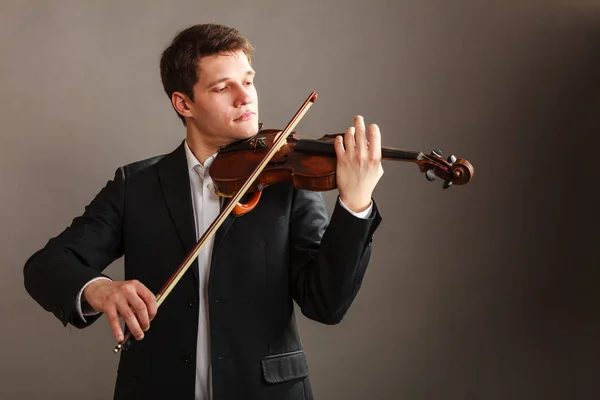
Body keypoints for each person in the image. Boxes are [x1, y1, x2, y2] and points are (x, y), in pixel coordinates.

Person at [23, 23, 383, 400]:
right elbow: (46, 264)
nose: (245, 97)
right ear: (184, 104)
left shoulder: (284, 179)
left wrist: (354, 206)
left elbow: (326, 303)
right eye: (222, 87)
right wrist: (100, 289)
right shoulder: (137, 185)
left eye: (248, 80)